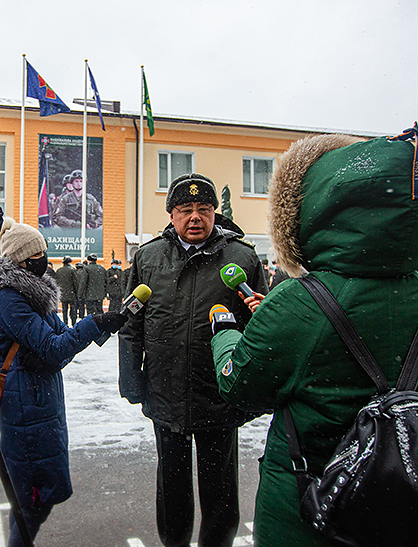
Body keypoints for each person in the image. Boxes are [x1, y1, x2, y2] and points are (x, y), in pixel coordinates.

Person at [209, 132, 418, 546]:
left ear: (317, 210)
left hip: (310, 517)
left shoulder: (299, 303)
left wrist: (225, 333)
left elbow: (239, 385)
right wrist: (415, 463)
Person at [118, 173, 268, 547]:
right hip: (165, 392)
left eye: (204, 209)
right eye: (186, 209)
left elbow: (260, 330)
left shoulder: (242, 258)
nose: (195, 217)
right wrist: (132, 380)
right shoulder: (148, 257)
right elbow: (131, 326)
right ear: (171, 214)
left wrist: (252, 387)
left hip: (219, 394)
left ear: (215, 212)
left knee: (221, 492)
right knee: (172, 489)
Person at [0, 217, 127, 547]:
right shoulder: (10, 299)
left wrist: (102, 327)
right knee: (34, 498)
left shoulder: (36, 292)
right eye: (37, 253)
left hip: (43, 400)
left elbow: (61, 345)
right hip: (25, 404)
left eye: (43, 251)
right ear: (21, 259)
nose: (43, 258)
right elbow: (56, 347)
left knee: (34, 498)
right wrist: (92, 324)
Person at [56, 256, 78, 326]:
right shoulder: (72, 270)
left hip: (63, 294)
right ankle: (73, 323)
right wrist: (76, 292)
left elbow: (57, 282)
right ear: (69, 263)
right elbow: (75, 282)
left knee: (64, 310)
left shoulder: (59, 271)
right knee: (73, 309)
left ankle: (65, 323)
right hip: (72, 294)